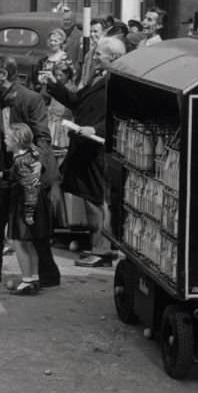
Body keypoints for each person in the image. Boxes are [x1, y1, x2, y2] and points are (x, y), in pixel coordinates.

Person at [0, 56, 61, 288]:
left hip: (27, 171)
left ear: (3, 75)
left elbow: (43, 136)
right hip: (4, 172)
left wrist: (38, 161)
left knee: (30, 227)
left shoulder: (31, 99)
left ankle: (46, 275)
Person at [42, 36, 126, 268]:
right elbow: (78, 101)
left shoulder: (118, 82)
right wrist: (53, 84)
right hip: (83, 145)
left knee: (98, 200)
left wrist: (95, 129)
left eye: (99, 54)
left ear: (114, 57)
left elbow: (118, 117)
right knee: (89, 197)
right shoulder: (99, 77)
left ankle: (103, 250)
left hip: (97, 149)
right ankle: (96, 244)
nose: (94, 56)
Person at [3, 123, 53, 296]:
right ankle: (34, 277)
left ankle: (26, 280)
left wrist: (28, 212)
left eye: (7, 138)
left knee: (20, 242)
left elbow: (29, 189)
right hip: (33, 203)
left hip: (25, 204)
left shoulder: (20, 162)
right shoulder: (31, 154)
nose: (4, 140)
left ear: (16, 141)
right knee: (30, 243)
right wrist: (3, 175)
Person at [34, 27, 75, 148]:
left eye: (55, 41)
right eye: (51, 40)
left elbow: (70, 76)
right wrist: (40, 80)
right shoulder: (46, 59)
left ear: (61, 42)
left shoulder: (64, 58)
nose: (52, 43)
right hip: (46, 93)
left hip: (58, 94)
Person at [77, 18, 106, 89]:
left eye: (95, 31)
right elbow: (83, 79)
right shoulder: (88, 54)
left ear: (104, 32)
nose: (92, 34)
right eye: (90, 31)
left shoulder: (109, 51)